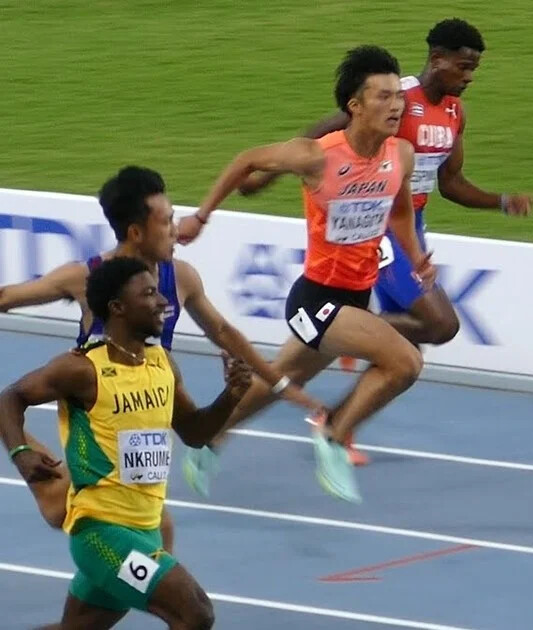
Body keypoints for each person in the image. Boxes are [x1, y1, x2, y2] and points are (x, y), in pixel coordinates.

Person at [199, 18, 533, 469]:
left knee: (292, 371)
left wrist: (499, 203)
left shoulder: (447, 119)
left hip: (403, 227)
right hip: (361, 248)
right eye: (464, 66)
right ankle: (338, 411)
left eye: (475, 68)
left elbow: (443, 186)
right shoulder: (391, 103)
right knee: (429, 335)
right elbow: (326, 131)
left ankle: (215, 431)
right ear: (438, 60)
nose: (470, 76)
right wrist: (260, 181)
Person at [0, 165, 323, 547]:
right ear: (136, 232)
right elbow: (7, 298)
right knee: (138, 529)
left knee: (144, 530)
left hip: (152, 404)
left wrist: (279, 383)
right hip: (101, 413)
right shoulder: (88, 278)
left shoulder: (181, 277)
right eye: (167, 221)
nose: (177, 229)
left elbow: (223, 332)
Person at [173, 45, 427, 503]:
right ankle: (333, 433)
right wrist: (201, 217)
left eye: (399, 97)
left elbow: (401, 212)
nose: (396, 106)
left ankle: (208, 439)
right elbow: (247, 160)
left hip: (357, 295)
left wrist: (416, 256)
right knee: (405, 362)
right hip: (316, 298)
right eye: (383, 96)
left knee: (279, 382)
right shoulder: (316, 157)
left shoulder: (401, 155)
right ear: (355, 105)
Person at [0, 256, 252, 630]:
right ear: (118, 307)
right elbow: (11, 397)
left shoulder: (162, 363)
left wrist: (230, 396)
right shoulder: (83, 369)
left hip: (146, 528)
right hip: (101, 535)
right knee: (196, 612)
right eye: (149, 294)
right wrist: (21, 452)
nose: (163, 302)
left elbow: (195, 433)